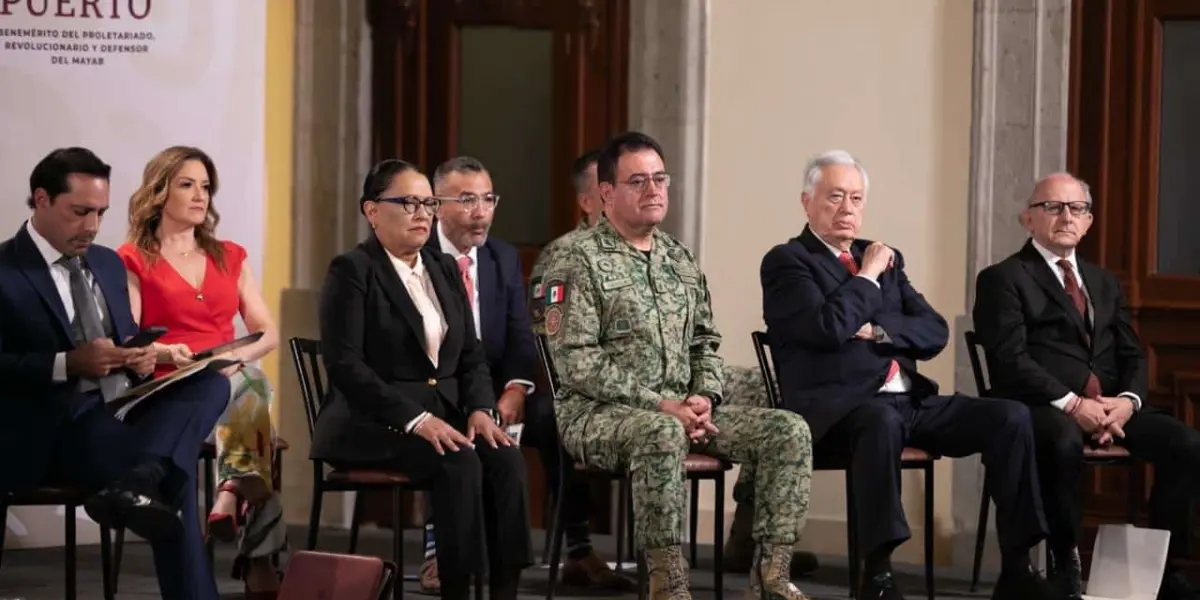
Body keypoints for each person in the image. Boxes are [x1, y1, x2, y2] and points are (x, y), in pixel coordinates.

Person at [760, 150, 1059, 600]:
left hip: (908, 400)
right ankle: (876, 573)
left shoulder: (884, 257)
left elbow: (933, 331)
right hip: (839, 412)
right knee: (879, 421)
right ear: (806, 202)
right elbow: (826, 328)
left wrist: (878, 329)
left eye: (856, 199)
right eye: (835, 197)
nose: (847, 209)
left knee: (1010, 417)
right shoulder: (788, 261)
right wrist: (868, 276)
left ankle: (1016, 565)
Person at [543, 131, 814, 600]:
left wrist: (703, 396)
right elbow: (577, 362)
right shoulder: (575, 259)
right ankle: (667, 583)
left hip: (681, 407)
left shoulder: (678, 258)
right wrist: (660, 405)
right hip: (598, 413)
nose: (653, 191)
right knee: (660, 432)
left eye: (660, 179)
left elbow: (706, 340)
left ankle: (771, 577)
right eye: (638, 181)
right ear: (606, 193)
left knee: (787, 430)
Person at [0, 147, 230, 600]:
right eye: (80, 212)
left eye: (101, 213)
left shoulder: (105, 262)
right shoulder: (5, 269)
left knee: (210, 381)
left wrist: (142, 355)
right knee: (175, 476)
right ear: (41, 200)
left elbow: (122, 339)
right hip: (46, 433)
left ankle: (138, 479)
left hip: (115, 415)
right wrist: (67, 364)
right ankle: (143, 479)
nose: (92, 227)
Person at [973, 172, 1200, 600]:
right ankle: (1066, 564)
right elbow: (1009, 360)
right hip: (1042, 405)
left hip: (1110, 406)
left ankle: (1165, 568)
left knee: (1186, 444)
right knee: (1061, 441)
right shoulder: (1003, 278)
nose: (1065, 217)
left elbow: (1132, 353)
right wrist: (1073, 403)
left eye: (1076, 208)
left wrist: (1128, 403)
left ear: (1089, 221)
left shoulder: (1103, 281)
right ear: (1028, 219)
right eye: (1052, 207)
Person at [312, 158, 532, 600]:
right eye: (408, 202)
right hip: (371, 423)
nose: (422, 214)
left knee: (505, 457)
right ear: (372, 211)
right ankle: (456, 588)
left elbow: (471, 357)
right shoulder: (353, 271)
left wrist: (479, 410)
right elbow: (346, 366)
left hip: (445, 416)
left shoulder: (442, 268)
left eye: (428, 204)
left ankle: (505, 591)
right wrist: (417, 420)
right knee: (458, 461)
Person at [117, 145, 286, 597]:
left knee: (247, 377)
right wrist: (171, 354)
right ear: (159, 192)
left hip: (228, 376)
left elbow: (266, 332)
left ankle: (231, 490)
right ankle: (244, 514)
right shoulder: (133, 258)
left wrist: (228, 361)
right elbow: (130, 336)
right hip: (168, 387)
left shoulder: (229, 255)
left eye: (206, 187)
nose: (200, 196)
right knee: (250, 398)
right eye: (187, 185)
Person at [417, 156, 585, 591]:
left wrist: (516, 389)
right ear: (436, 205)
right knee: (459, 435)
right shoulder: (418, 255)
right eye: (467, 200)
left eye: (488, 199)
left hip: (493, 387)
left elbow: (520, 334)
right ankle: (440, 550)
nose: (481, 212)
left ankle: (570, 549)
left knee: (551, 420)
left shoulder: (501, 256)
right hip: (436, 387)